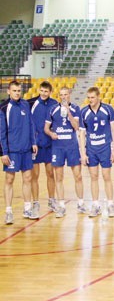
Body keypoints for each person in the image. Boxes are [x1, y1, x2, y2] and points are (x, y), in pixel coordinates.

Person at [0, 80, 37, 224]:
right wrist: (4, 152)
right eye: (14, 90)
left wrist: (33, 142)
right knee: (9, 180)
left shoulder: (25, 105)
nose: (17, 93)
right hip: (12, 151)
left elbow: (31, 124)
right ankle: (8, 211)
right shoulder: (4, 108)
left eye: (18, 91)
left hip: (26, 149)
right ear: (9, 91)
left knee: (27, 178)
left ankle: (27, 208)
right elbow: (2, 132)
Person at [44, 87, 84, 218]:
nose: (64, 97)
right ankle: (61, 206)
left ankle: (81, 203)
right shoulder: (52, 109)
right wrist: (51, 133)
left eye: (66, 94)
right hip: (58, 147)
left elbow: (76, 127)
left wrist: (68, 112)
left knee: (78, 176)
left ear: (70, 95)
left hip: (72, 146)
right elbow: (46, 128)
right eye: (61, 95)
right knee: (59, 177)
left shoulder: (76, 109)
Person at [80, 87, 114, 218]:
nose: (90, 100)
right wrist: (83, 154)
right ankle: (95, 205)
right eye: (89, 97)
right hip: (91, 149)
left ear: (98, 97)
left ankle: (111, 204)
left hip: (105, 148)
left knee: (107, 176)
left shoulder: (108, 109)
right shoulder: (84, 111)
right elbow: (82, 133)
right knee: (93, 177)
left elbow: (113, 130)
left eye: (93, 97)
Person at [28, 81, 58, 219]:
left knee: (50, 173)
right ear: (39, 90)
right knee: (34, 176)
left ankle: (52, 201)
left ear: (50, 92)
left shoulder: (55, 104)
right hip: (35, 146)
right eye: (42, 91)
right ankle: (35, 203)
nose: (44, 93)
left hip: (50, 145)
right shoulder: (32, 104)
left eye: (46, 91)